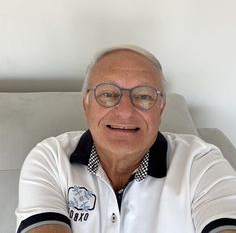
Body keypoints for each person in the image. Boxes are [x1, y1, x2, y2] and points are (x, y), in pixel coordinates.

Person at [16, 45, 236, 233]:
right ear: (86, 105)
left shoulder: (201, 163)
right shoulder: (51, 158)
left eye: (143, 96)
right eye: (108, 94)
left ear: (161, 108)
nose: (125, 111)